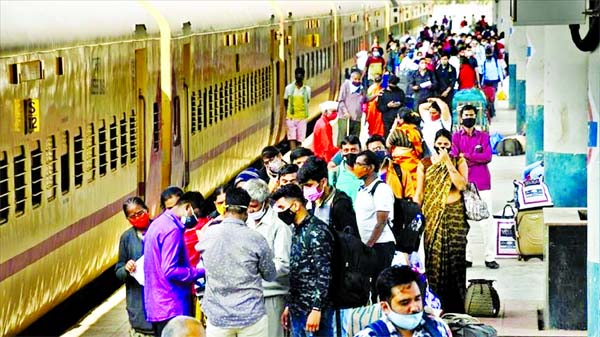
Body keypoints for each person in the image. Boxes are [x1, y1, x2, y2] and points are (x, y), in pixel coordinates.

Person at [196, 187, 277, 336]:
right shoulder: (256, 238)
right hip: (251, 317)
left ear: (224, 208)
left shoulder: (208, 235)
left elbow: (203, 261)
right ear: (246, 211)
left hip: (218, 318)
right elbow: (270, 275)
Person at [414, 129, 469, 314]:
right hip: (432, 216)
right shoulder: (425, 163)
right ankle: (436, 305)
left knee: (456, 260)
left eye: (446, 145)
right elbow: (420, 192)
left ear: (451, 146)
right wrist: (414, 214)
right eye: (439, 145)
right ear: (434, 144)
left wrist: (447, 163)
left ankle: (457, 307)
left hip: (455, 216)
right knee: (434, 262)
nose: (442, 148)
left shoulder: (458, 161)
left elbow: (462, 185)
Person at [273, 184, 334, 337]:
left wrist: (316, 309)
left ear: (295, 205)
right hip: (297, 310)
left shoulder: (316, 231)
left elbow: (324, 274)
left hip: (314, 312)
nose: (279, 212)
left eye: (281, 207)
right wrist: (289, 306)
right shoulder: (296, 230)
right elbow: (296, 272)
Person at [143, 192, 206, 336]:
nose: (195, 220)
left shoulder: (157, 224)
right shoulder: (172, 229)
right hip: (173, 305)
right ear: (188, 207)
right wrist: (200, 272)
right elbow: (170, 270)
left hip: (157, 305)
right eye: (195, 214)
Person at [451, 105, 499, 269]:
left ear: (475, 117)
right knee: (466, 223)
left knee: (487, 221)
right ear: (461, 117)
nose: (469, 117)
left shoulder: (484, 136)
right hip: (464, 185)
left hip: (483, 183)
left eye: (471, 115)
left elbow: (487, 156)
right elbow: (456, 157)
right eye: (466, 115)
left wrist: (468, 156)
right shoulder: (456, 137)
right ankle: (467, 257)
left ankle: (490, 257)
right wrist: (473, 158)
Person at [243, 179, 293, 337]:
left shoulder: (279, 225)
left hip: (273, 294)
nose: (250, 210)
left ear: (264, 202)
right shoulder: (245, 223)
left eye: (254, 206)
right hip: (249, 296)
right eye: (248, 206)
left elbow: (284, 264)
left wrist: (257, 270)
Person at [353, 265, 451, 337]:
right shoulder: (370, 335)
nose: (414, 307)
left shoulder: (437, 326)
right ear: (385, 307)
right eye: (405, 302)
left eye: (417, 299)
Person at [352, 150, 396, 303]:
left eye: (359, 164)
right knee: (369, 287)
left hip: (380, 245)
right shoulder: (362, 190)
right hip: (367, 246)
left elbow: (381, 221)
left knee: (380, 286)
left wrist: (369, 245)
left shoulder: (381, 189)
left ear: (370, 168)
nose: (355, 167)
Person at [116, 197, 155, 337]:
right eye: (132, 216)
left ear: (147, 210)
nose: (138, 218)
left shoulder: (159, 231)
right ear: (127, 219)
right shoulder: (127, 238)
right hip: (139, 307)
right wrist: (126, 268)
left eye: (140, 213)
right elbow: (119, 271)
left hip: (162, 303)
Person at [298, 156, 359, 237]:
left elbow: (351, 238)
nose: (306, 189)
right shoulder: (310, 201)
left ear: (323, 182)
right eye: (303, 186)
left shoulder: (340, 203)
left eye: (309, 185)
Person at [328, 135, 363, 202]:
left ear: (360, 151)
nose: (350, 153)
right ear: (341, 152)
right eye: (346, 150)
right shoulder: (334, 174)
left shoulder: (368, 172)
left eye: (353, 150)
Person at [284, 67, 311, 150]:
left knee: (299, 139)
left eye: (301, 75)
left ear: (303, 76)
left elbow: (307, 101)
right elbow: (285, 101)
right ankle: (293, 154)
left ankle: (298, 153)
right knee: (292, 138)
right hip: (291, 117)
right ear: (295, 76)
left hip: (302, 117)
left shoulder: (307, 89)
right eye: (297, 75)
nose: (299, 77)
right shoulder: (288, 88)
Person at [337, 70, 365, 145]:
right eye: (355, 79)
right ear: (351, 78)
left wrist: (376, 95)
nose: (357, 81)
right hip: (345, 118)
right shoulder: (345, 86)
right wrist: (345, 112)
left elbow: (365, 99)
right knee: (343, 139)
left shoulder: (361, 87)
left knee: (355, 139)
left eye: (359, 79)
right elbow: (341, 101)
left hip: (357, 118)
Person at [377, 75, 406, 139]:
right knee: (388, 136)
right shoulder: (383, 93)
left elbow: (404, 104)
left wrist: (399, 104)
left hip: (398, 119)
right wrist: (388, 106)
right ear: (388, 83)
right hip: (387, 119)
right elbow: (379, 107)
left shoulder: (400, 92)